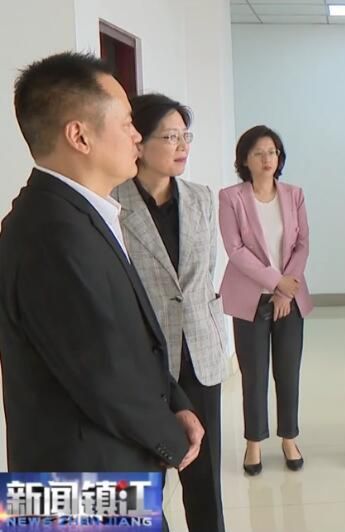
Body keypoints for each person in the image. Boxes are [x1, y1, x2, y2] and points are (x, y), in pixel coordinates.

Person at [0, 52, 203, 475]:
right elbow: (102, 373)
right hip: (77, 484)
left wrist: (176, 402)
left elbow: (129, 339)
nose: (137, 137)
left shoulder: (82, 213)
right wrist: (171, 438)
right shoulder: (50, 233)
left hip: (109, 462)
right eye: (127, 123)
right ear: (79, 136)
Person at [112, 93, 229, 530]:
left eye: (186, 136)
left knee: (205, 478)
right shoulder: (112, 205)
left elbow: (203, 275)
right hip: (144, 361)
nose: (182, 146)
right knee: (146, 477)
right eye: (170, 137)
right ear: (139, 143)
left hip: (200, 351)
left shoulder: (202, 199)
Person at [219, 125, 314, 475]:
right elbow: (235, 251)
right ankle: (254, 442)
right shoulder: (231, 197)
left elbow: (302, 244)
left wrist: (285, 291)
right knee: (254, 375)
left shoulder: (294, 194)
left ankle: (289, 438)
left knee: (288, 372)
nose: (267, 158)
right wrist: (276, 283)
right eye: (258, 153)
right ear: (245, 159)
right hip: (250, 299)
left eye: (272, 152)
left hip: (290, 299)